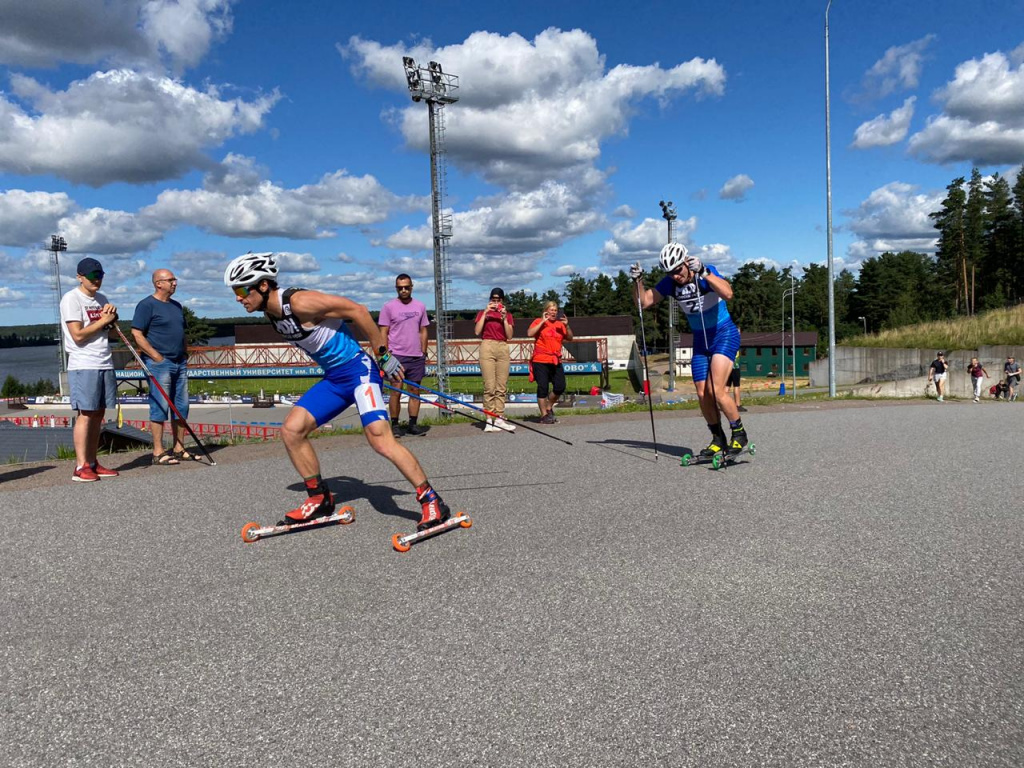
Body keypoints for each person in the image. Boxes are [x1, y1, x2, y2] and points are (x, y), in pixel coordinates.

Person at [224, 252, 452, 530]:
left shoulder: (299, 302)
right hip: (335, 379)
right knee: (292, 431)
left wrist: (382, 354)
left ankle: (431, 500)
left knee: (380, 439)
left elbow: (358, 310)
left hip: (359, 373)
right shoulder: (271, 313)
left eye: (240, 289)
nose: (238, 297)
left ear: (262, 285)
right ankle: (319, 498)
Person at [631, 243, 748, 457]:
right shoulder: (670, 283)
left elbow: (729, 293)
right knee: (702, 393)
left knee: (717, 390)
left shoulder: (705, 271)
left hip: (724, 333)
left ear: (686, 262)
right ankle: (718, 438)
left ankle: (739, 434)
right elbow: (643, 301)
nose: (675, 276)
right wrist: (638, 281)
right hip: (701, 341)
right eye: (670, 273)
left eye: (678, 270)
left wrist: (704, 272)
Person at [60, 257, 120, 482]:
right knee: (85, 413)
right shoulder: (71, 299)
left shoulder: (102, 299)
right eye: (92, 277)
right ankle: (80, 466)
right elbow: (77, 335)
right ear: (80, 277)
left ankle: (93, 462)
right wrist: (104, 320)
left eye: (100, 276)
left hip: (104, 361)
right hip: (83, 363)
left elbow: (112, 334)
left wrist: (113, 319)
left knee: (98, 414)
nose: (97, 280)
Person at [132, 269, 191, 464]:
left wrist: (184, 352)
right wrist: (156, 357)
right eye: (170, 280)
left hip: (179, 361)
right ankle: (158, 451)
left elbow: (181, 331)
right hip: (160, 364)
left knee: (181, 406)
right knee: (160, 405)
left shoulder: (176, 306)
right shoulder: (146, 305)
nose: (175, 283)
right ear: (159, 283)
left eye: (175, 279)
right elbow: (137, 333)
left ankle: (179, 448)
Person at [378, 273, 430, 437]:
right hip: (396, 355)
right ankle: (394, 425)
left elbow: (423, 330)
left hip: (416, 356)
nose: (404, 290)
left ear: (411, 287)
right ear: (396, 288)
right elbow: (383, 332)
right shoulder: (388, 307)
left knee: (415, 391)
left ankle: (412, 424)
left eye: (407, 287)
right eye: (400, 288)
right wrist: (385, 357)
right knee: (396, 391)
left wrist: (424, 352)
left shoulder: (420, 306)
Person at [474, 287, 516, 433]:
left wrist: (504, 318)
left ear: (503, 301)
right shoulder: (483, 313)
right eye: (493, 300)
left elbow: (510, 335)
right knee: (489, 386)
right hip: (487, 345)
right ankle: (489, 419)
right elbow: (477, 331)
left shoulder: (507, 315)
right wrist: (486, 313)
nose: (496, 303)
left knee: (501, 385)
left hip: (502, 346)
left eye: (498, 300)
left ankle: (499, 417)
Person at [527, 301, 573, 424]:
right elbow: (530, 333)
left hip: (555, 359)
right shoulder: (538, 321)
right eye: (551, 310)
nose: (553, 312)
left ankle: (548, 407)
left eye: (555, 310)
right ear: (546, 311)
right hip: (541, 359)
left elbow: (570, 337)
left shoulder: (560, 324)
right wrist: (542, 321)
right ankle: (543, 415)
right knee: (543, 386)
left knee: (560, 386)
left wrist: (567, 326)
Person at [727, 341, 746, 412]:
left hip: (727, 367)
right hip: (735, 367)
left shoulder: (726, 344)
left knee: (727, 386)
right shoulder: (735, 343)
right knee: (736, 386)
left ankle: (725, 404)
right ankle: (737, 405)